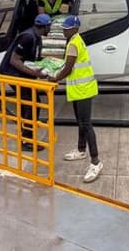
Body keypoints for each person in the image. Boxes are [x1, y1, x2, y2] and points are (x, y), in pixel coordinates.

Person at [48, 15, 103, 183]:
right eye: (64, 28)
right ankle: (81, 150)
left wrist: (54, 78)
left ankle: (96, 162)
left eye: (67, 28)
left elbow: (68, 68)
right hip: (79, 89)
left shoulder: (73, 43)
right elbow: (70, 65)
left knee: (86, 124)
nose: (64, 30)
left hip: (83, 90)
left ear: (75, 28)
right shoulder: (75, 39)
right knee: (81, 122)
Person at [0, 13, 53, 152]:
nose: (50, 28)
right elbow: (14, 60)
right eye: (50, 26)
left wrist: (48, 64)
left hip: (22, 74)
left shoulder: (36, 36)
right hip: (13, 74)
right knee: (32, 105)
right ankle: (27, 141)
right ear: (45, 26)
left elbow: (31, 58)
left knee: (28, 104)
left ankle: (26, 136)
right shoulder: (28, 37)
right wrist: (34, 73)